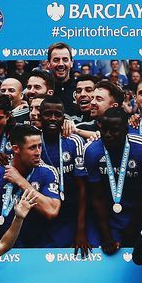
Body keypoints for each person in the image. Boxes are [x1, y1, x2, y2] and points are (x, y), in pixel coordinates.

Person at [83, 107, 142, 253]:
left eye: (114, 130)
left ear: (126, 129)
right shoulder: (92, 151)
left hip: (136, 215)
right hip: (105, 216)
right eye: (104, 130)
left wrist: (131, 231)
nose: (108, 135)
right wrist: (106, 235)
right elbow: (97, 197)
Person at [36, 97, 89, 250]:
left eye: (57, 114)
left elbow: (82, 188)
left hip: (69, 213)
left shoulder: (74, 141)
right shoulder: (33, 141)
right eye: (47, 114)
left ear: (64, 117)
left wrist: (81, 229)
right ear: (39, 116)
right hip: (40, 212)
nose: (53, 118)